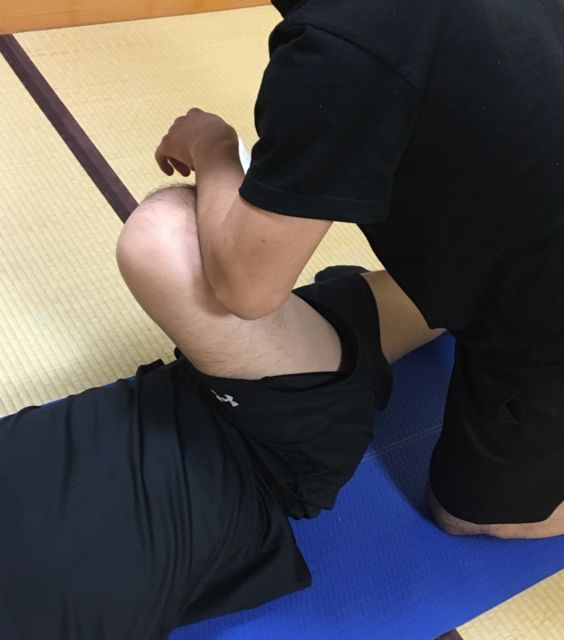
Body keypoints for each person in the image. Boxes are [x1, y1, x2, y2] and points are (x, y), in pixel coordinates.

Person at [148, 0, 564, 539]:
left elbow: (247, 288)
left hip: (543, 314)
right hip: (520, 247)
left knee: (470, 514)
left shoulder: (342, 44)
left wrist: (213, 146)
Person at [0, 181, 441, 638]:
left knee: (175, 243)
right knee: (165, 238)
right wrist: (211, 149)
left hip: (213, 395)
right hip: (281, 448)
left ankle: (341, 304)